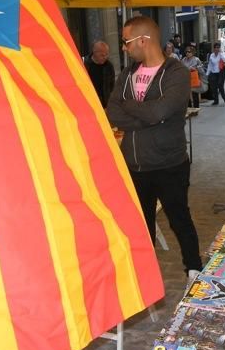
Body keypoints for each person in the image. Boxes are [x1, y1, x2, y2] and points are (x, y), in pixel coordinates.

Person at [106, 15, 202, 279]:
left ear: (143, 40)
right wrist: (148, 114)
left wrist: (137, 110)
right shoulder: (127, 73)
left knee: (179, 218)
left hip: (169, 164)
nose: (124, 47)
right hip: (134, 165)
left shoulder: (177, 73)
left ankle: (193, 269)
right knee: (140, 225)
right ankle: (144, 278)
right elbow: (113, 112)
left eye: (126, 42)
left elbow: (160, 110)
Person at [83, 40, 115, 107]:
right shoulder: (84, 64)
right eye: (102, 55)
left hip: (105, 103)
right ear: (95, 53)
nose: (105, 57)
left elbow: (112, 86)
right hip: (89, 102)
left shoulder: (109, 66)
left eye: (107, 54)